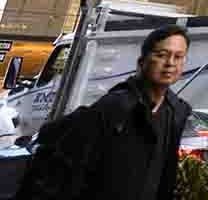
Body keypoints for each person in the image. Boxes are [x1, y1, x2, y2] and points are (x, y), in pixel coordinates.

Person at [18, 24, 192, 200]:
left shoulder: (176, 112)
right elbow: (67, 171)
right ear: (141, 62)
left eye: (178, 57)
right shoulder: (115, 106)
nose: (170, 63)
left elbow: (164, 177)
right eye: (161, 55)